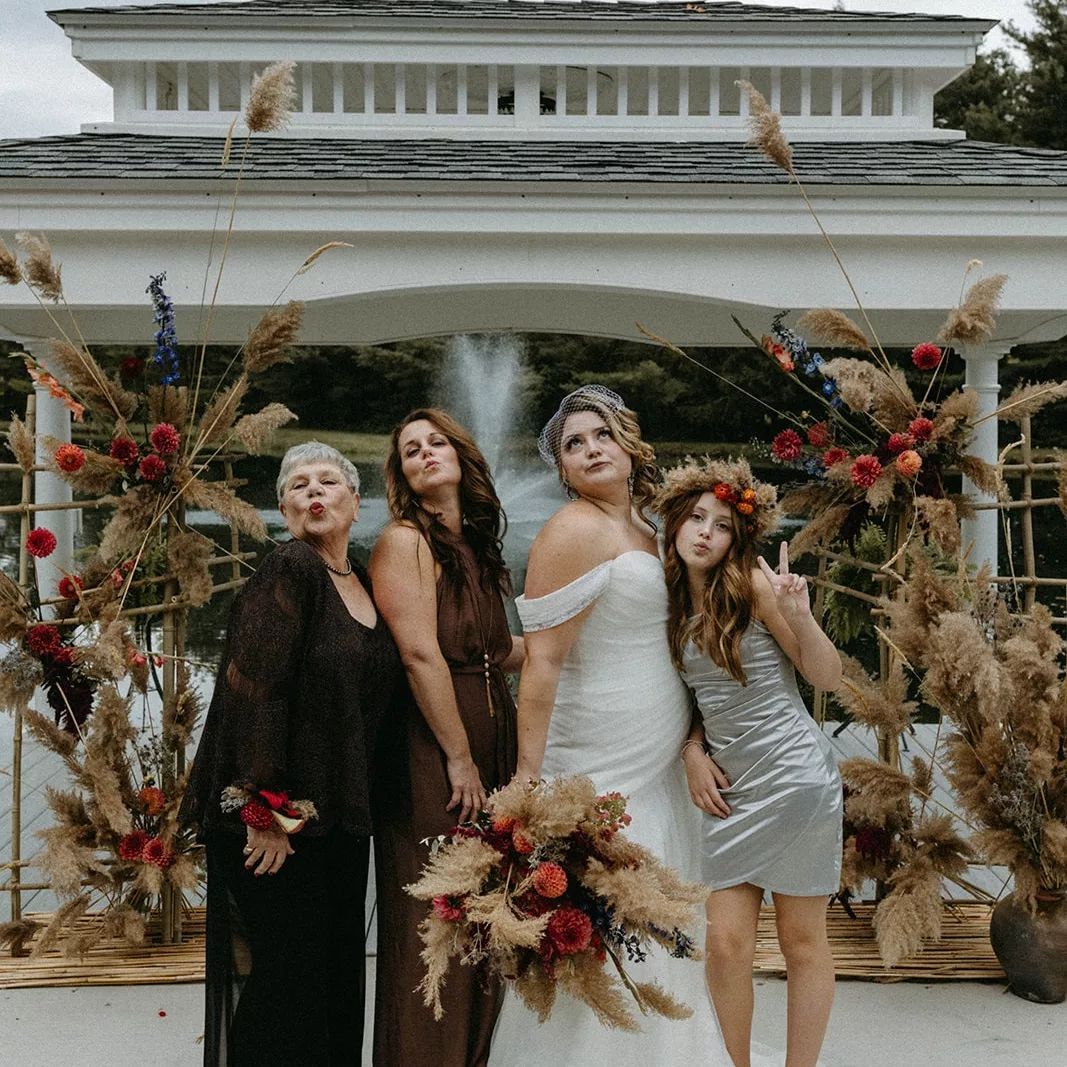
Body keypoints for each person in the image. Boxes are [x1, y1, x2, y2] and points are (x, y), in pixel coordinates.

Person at [489, 385, 733, 1064]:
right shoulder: (570, 531)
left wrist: (690, 739)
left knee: (660, 916)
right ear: (562, 471)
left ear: (629, 447)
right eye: (574, 444)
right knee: (603, 921)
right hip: (597, 758)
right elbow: (540, 665)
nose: (590, 448)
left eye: (600, 435)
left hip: (656, 762)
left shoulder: (653, 531)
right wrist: (529, 777)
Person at [181, 441, 403, 1066]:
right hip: (275, 820)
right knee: (287, 984)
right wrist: (266, 811)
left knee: (332, 980)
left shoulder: (357, 574)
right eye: (299, 485)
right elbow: (256, 690)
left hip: (331, 819)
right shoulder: (290, 570)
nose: (314, 492)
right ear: (282, 508)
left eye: (328, 481)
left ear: (357, 504)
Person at [655, 456, 842, 1067]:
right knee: (728, 946)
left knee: (801, 941)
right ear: (677, 522)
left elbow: (826, 676)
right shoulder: (671, 596)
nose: (707, 532)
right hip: (729, 787)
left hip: (793, 778)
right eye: (697, 518)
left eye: (724, 525)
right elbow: (691, 699)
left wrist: (800, 616)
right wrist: (690, 750)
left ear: (739, 537)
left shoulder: (754, 586)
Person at [370, 408, 523, 1067]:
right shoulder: (405, 541)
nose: (425, 453)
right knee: (438, 919)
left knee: (490, 911)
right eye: (411, 449)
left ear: (462, 456)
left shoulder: (478, 544)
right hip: (434, 750)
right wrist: (457, 757)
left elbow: (501, 650)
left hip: (496, 740)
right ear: (402, 474)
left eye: (436, 442)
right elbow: (420, 655)